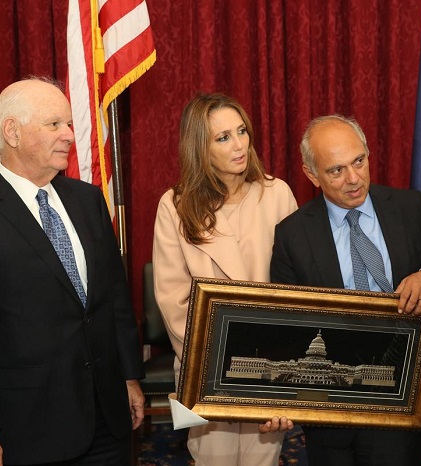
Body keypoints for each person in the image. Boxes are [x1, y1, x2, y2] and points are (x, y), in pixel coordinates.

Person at [0, 78, 144, 465]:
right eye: (55, 124)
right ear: (12, 131)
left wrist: (128, 376)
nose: (69, 135)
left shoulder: (87, 200)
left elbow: (113, 299)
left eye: (68, 124)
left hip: (107, 418)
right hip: (25, 429)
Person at [270, 114, 421, 466]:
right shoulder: (293, 235)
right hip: (332, 407)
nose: (354, 179)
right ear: (312, 175)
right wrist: (279, 397)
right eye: (336, 170)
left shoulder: (409, 208)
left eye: (359, 161)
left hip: (405, 397)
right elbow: (287, 323)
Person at [153, 93, 297, 466]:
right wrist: (224, 358)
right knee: (212, 459)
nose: (239, 145)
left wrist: (278, 359)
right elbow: (174, 300)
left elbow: (297, 288)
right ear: (200, 148)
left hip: (272, 363)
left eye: (242, 132)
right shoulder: (176, 204)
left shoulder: (277, 193)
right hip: (207, 364)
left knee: (263, 459)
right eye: (223, 138)